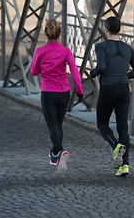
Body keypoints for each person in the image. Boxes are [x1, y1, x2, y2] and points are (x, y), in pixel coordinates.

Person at [90, 16, 134, 176]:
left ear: (106, 29)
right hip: (123, 89)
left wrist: (92, 73)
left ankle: (116, 147)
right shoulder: (128, 48)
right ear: (119, 29)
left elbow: (102, 66)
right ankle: (124, 166)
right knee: (123, 128)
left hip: (108, 88)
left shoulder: (101, 46)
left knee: (102, 123)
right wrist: (126, 76)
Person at [31, 18, 83, 175]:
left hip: (48, 93)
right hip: (64, 93)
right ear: (60, 34)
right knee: (58, 125)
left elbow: (33, 71)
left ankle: (60, 151)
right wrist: (79, 91)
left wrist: (44, 66)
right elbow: (74, 71)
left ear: (46, 34)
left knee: (52, 125)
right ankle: (54, 154)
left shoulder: (40, 51)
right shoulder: (66, 51)